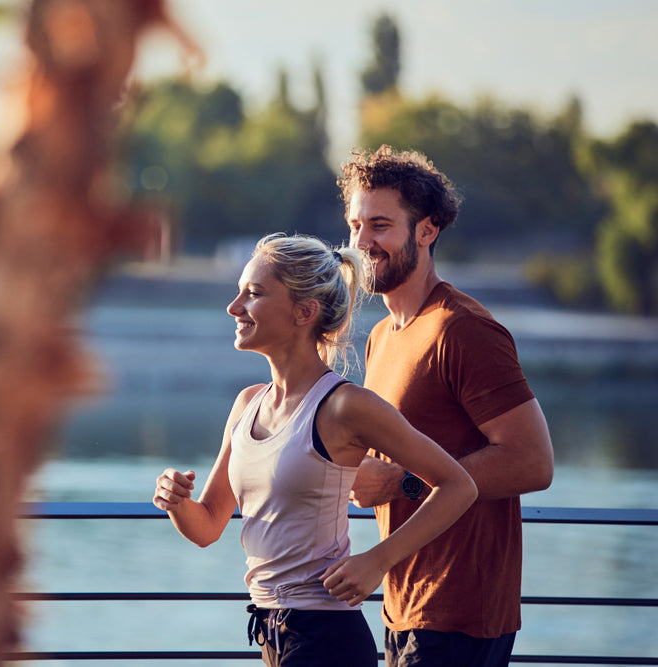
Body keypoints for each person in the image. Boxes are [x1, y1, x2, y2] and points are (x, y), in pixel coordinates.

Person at [153, 233, 477, 667]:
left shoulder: (346, 406)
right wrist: (176, 501)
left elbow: (458, 485)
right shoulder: (247, 404)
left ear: (304, 312)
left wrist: (377, 561)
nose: (234, 307)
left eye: (253, 293)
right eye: (239, 292)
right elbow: (208, 525)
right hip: (270, 630)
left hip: (326, 636)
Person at [339, 145, 555, 667]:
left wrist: (401, 483)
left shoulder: (463, 329)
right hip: (402, 603)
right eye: (355, 225)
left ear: (426, 230)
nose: (362, 242)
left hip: (461, 616)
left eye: (381, 226)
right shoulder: (381, 338)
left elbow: (533, 462)